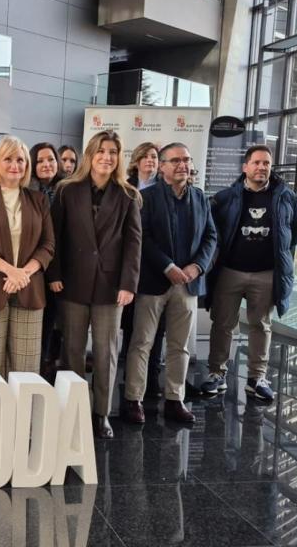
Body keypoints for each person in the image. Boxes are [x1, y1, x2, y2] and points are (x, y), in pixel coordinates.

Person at [48, 130, 141, 439]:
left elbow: (133, 244)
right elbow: (55, 237)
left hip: (111, 287)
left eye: (113, 151)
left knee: (106, 353)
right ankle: (75, 410)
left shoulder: (128, 195)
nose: (107, 157)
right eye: (101, 151)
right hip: (71, 284)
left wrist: (128, 283)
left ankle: (101, 413)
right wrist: (55, 274)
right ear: (90, 155)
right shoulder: (66, 190)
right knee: (72, 351)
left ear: (119, 157)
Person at [123, 142, 217, 425]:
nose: (182, 165)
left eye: (186, 160)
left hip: (188, 285)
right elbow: (142, 238)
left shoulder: (200, 198)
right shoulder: (146, 198)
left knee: (180, 345)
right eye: (175, 160)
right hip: (154, 282)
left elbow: (211, 237)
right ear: (161, 166)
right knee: (142, 343)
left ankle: (175, 399)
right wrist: (168, 265)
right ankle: (133, 399)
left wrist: (197, 266)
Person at [201, 145, 297, 402]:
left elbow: (296, 230)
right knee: (223, 323)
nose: (261, 167)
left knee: (261, 325)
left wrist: (281, 255)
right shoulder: (227, 197)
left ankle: (257, 378)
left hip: (266, 273)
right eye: (256, 163)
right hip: (230, 272)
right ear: (245, 167)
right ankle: (217, 373)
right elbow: (213, 231)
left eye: (266, 163)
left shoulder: (286, 197)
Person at [0, 135, 54, 376]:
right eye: (8, 159)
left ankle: (21, 417)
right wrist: (10, 271)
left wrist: (23, 274)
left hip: (29, 290)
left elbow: (48, 245)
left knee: (25, 374)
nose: (15, 165)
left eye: (21, 160)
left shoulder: (39, 200)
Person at [121, 140, 164, 401]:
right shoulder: (125, 189)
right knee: (131, 325)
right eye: (145, 156)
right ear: (136, 161)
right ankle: (130, 375)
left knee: (156, 329)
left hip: (156, 268)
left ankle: (153, 377)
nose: (151, 160)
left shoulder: (164, 190)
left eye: (155, 156)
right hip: (129, 268)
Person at [28, 142, 62, 380]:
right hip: (31, 270)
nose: (46, 164)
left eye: (50, 159)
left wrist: (55, 274)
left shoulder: (67, 190)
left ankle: (45, 375)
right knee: (32, 331)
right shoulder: (26, 190)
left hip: (58, 272)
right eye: (40, 160)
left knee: (51, 328)